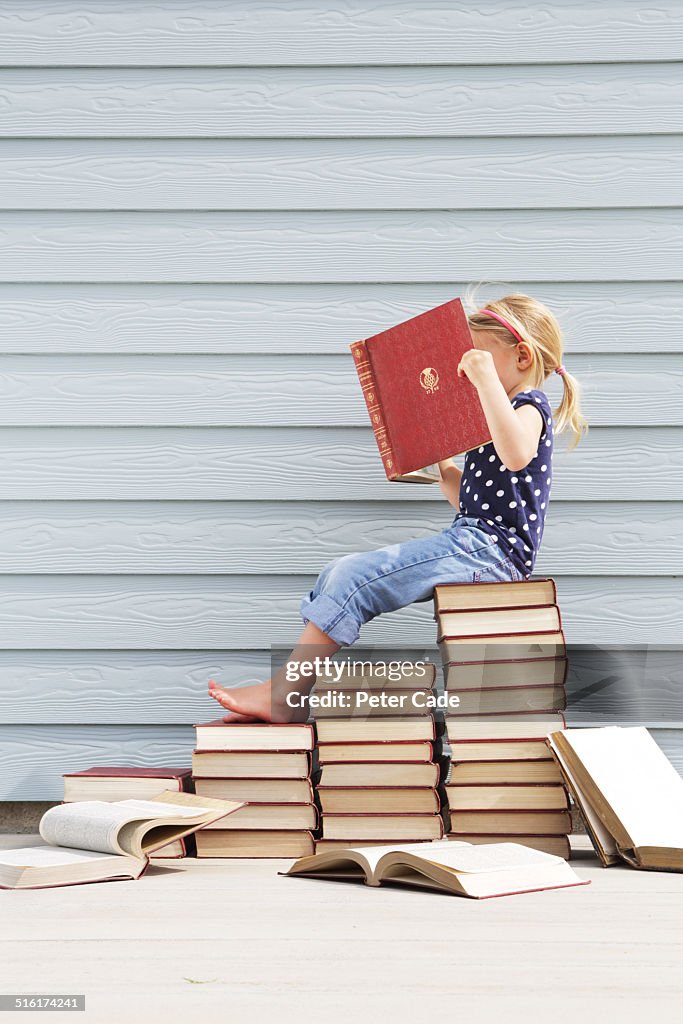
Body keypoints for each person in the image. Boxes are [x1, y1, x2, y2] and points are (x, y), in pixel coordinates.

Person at [208, 288, 588, 722]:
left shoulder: (529, 404)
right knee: (339, 569)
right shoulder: (495, 417)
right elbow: (467, 496)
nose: (468, 369)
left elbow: (517, 454)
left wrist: (484, 381)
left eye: (479, 356)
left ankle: (285, 693)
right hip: (472, 538)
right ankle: (289, 693)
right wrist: (440, 458)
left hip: (493, 551)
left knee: (354, 575)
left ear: (522, 358)